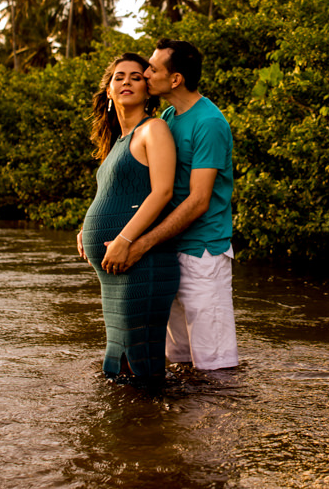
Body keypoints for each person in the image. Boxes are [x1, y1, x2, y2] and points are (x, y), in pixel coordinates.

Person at [114, 38, 238, 370]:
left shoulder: (209, 123)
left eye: (153, 68)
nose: (145, 72)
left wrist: (140, 245)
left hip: (203, 254)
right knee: (179, 361)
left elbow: (199, 201)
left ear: (175, 79)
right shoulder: (169, 116)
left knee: (215, 369)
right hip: (169, 251)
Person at [76, 52, 179, 380]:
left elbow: (162, 193)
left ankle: (154, 429)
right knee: (118, 364)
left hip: (141, 263)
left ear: (148, 89)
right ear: (108, 90)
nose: (127, 82)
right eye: (119, 77)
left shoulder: (154, 129)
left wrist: (123, 239)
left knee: (141, 363)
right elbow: (112, 194)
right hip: (115, 270)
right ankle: (128, 430)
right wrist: (86, 228)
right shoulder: (117, 141)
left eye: (136, 77)